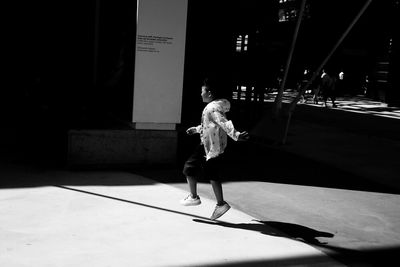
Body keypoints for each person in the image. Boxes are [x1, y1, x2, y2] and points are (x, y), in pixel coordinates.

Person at [180, 77, 249, 220]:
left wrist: (235, 134)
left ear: (209, 93)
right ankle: (219, 203)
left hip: (210, 147)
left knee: (189, 168)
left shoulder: (212, 108)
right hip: (213, 145)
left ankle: (195, 197)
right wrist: (197, 129)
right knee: (211, 173)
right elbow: (211, 125)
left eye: (202, 91)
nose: (200, 94)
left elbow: (223, 123)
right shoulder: (216, 106)